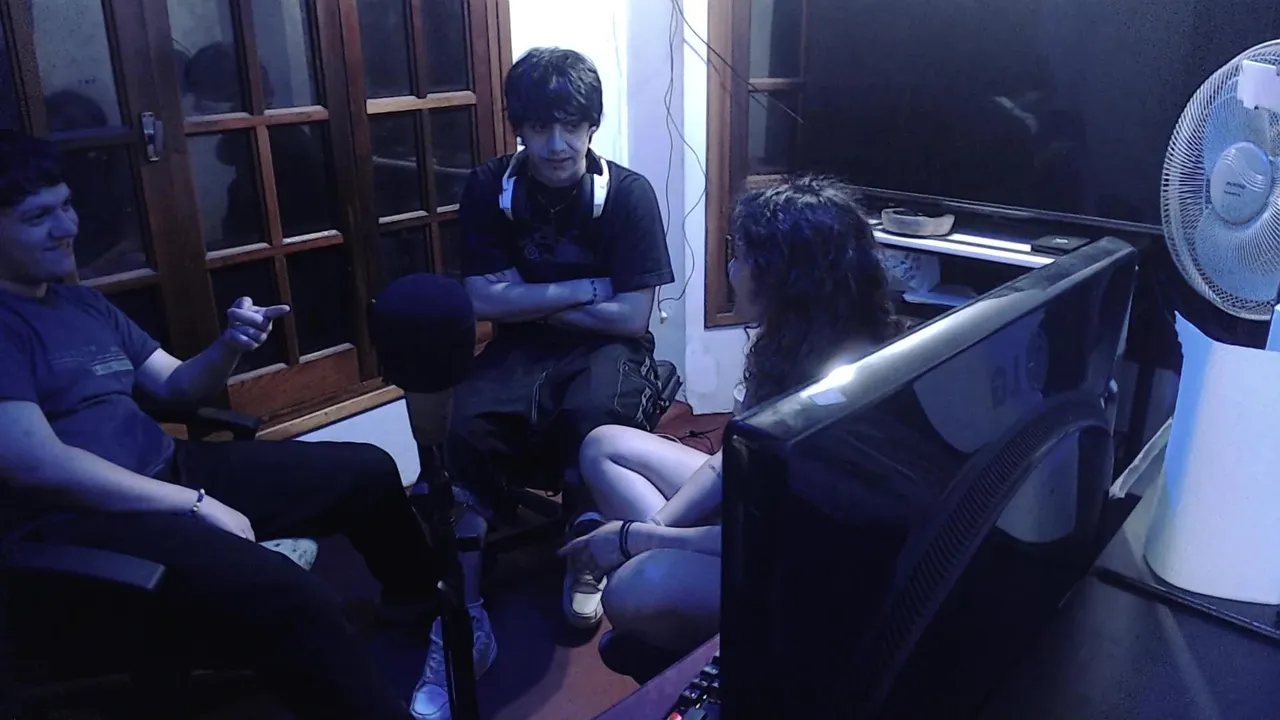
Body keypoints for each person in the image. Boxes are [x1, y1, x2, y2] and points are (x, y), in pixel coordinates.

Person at [0, 132, 433, 720]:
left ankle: (419, 610)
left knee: (367, 469)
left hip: (167, 468)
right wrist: (194, 504)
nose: (67, 227)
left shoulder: (79, 304)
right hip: (80, 518)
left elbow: (176, 387)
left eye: (67, 205)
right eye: (38, 217)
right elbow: (36, 464)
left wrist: (231, 344)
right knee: (289, 594)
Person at [411, 48, 674, 719]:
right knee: (462, 426)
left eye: (571, 125)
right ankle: (464, 614)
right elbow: (482, 301)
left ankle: (584, 558)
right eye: (539, 126)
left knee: (594, 418)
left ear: (592, 125)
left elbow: (631, 316)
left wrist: (524, 296)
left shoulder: (628, 194)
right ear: (519, 127)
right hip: (519, 350)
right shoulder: (488, 187)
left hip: (610, 349)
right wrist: (588, 287)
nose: (556, 144)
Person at [559, 175, 905, 667]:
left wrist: (635, 538)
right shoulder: (791, 343)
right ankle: (660, 564)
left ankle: (724, 638)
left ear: (781, 278)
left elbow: (775, 541)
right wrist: (652, 526)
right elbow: (732, 461)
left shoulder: (836, 393)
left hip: (804, 573)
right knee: (604, 446)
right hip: (764, 521)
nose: (731, 268)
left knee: (631, 590)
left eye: (740, 257)